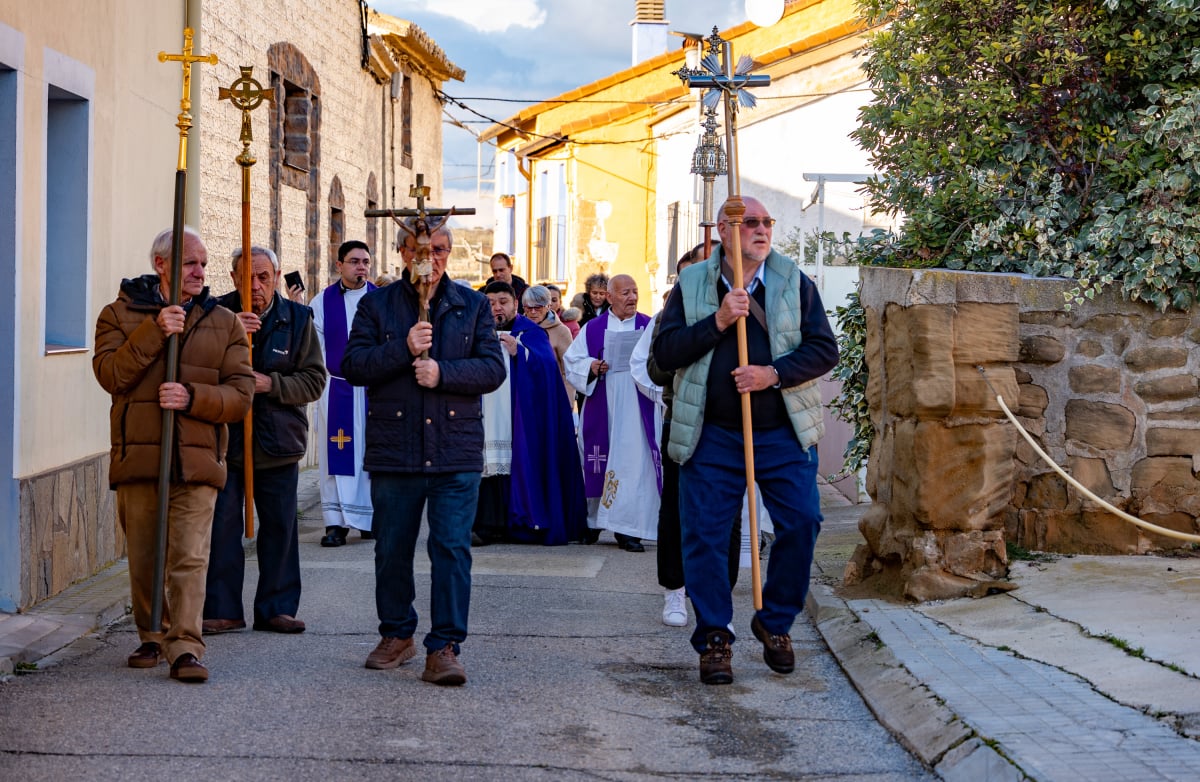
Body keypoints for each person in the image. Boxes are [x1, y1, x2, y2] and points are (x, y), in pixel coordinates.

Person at [654, 197, 839, 685]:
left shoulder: (794, 281)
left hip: (782, 432)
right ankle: (715, 637)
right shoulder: (693, 284)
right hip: (710, 432)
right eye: (749, 223)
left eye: (765, 223)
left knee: (803, 521)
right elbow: (665, 353)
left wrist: (771, 374)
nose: (760, 231)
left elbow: (824, 349)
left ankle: (775, 621)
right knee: (705, 537)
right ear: (723, 231)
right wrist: (717, 321)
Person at [342, 223, 505, 686]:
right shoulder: (378, 304)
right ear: (401, 252)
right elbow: (353, 365)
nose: (428, 259)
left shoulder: (471, 304)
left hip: (454, 450)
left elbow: (493, 368)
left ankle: (446, 645)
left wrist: (444, 372)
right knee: (391, 549)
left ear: (449, 254)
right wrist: (402, 348)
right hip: (396, 450)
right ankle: (397, 633)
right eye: (419, 249)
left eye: (438, 250)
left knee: (451, 549)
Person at [93, 227, 254, 683]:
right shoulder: (118, 315)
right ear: (161, 265)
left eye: (203, 263)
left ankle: (185, 647)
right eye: (189, 263)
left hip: (197, 460)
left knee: (189, 557)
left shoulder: (223, 323)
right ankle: (151, 632)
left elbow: (241, 395)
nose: (200, 272)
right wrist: (154, 330)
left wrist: (192, 397)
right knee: (146, 556)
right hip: (140, 460)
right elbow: (110, 374)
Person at [203, 246, 326, 636]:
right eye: (247, 277)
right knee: (221, 527)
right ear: (233, 277)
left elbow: (314, 380)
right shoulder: (212, 314)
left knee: (280, 528)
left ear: (275, 277)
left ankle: (277, 607)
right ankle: (222, 608)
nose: (254, 286)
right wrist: (229, 334)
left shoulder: (298, 318)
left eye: (263, 277)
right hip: (223, 442)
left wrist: (271, 384)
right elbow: (197, 370)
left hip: (277, 441)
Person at [635, 242, 739, 627]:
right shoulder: (670, 314)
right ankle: (675, 590)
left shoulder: (742, 308)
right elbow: (657, 368)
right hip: (683, 421)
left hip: (728, 424)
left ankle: (718, 601)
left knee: (726, 513)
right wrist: (698, 339)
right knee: (678, 509)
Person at [475, 282, 587, 546]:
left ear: (515, 303)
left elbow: (547, 366)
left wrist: (520, 352)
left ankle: (521, 523)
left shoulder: (531, 332)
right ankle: (486, 525)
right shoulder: (476, 332)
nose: (496, 308)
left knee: (518, 465)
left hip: (520, 419)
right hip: (484, 418)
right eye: (490, 302)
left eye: (502, 301)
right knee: (486, 468)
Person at [563, 274, 662, 552]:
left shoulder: (648, 325)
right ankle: (594, 522)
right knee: (597, 462)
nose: (632, 298)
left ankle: (627, 528)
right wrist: (592, 366)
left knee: (633, 464)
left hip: (636, 404)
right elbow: (573, 361)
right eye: (625, 293)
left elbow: (661, 360)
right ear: (610, 296)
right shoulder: (593, 328)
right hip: (603, 403)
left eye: (635, 291)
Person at [314, 240, 377, 548]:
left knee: (371, 455)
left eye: (365, 261)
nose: (361, 266)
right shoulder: (322, 301)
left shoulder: (382, 299)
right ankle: (335, 523)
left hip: (374, 390)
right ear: (339, 265)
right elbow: (315, 347)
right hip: (336, 387)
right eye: (354, 261)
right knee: (334, 456)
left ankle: (369, 519)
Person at [522, 285, 574, 401]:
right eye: (528, 308)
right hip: (525, 395)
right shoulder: (519, 328)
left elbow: (568, 370)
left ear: (548, 306)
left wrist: (568, 400)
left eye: (538, 307)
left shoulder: (561, 331)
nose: (533, 312)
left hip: (552, 395)